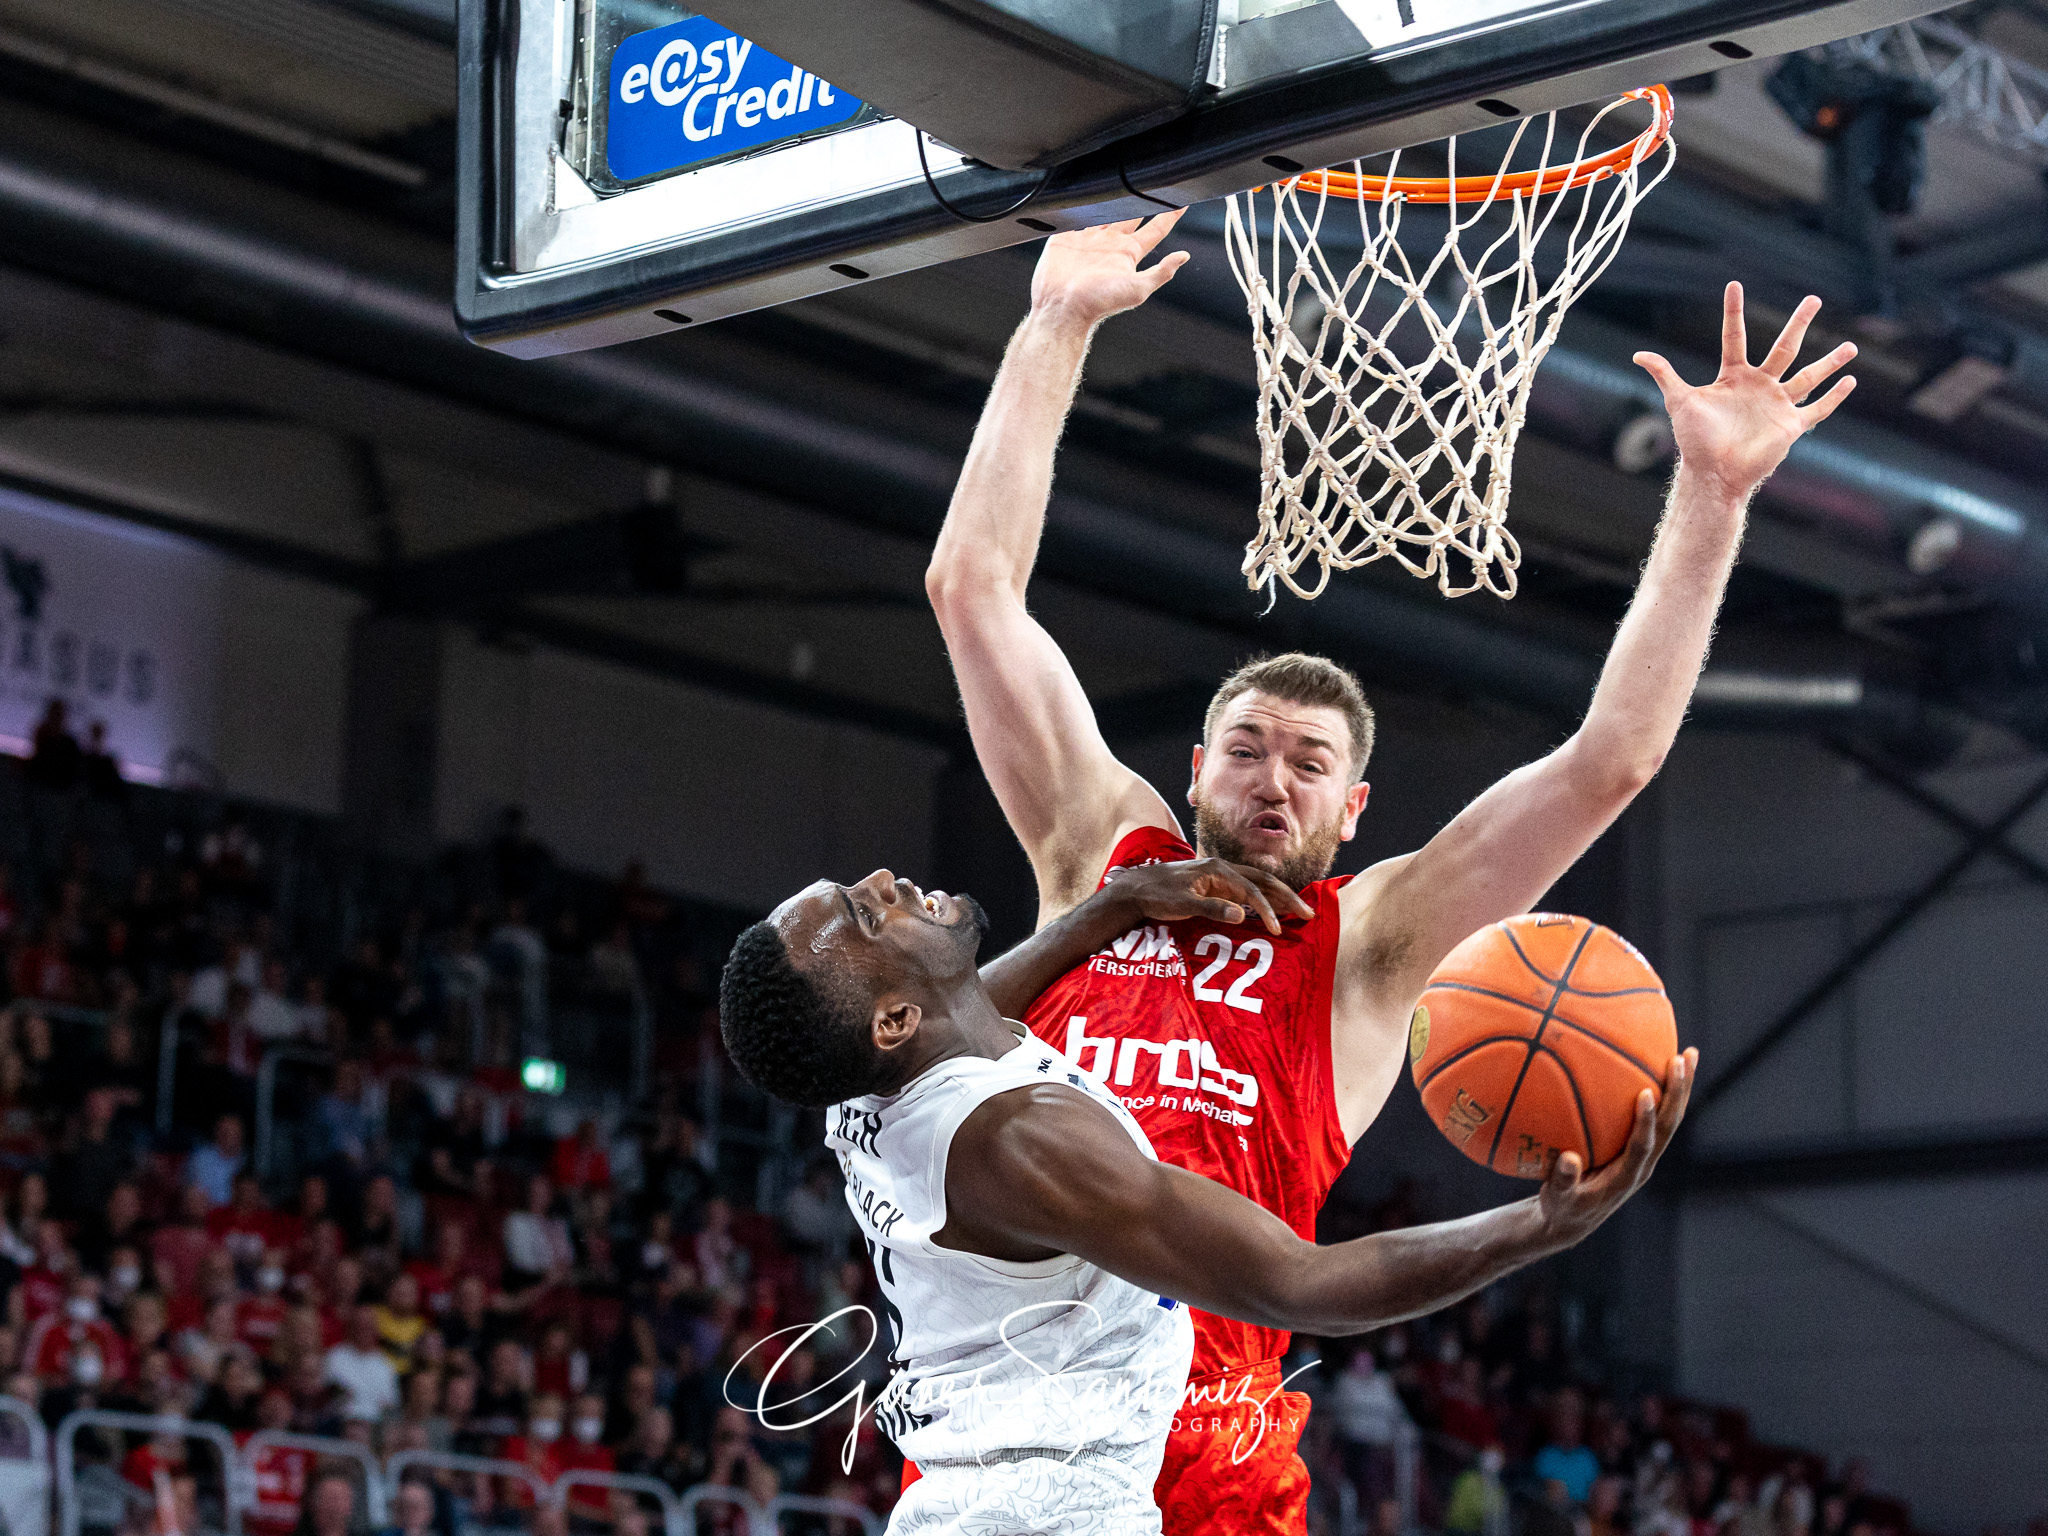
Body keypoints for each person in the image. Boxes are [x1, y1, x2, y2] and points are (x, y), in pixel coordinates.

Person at [922, 212, 1854, 1534]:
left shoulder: (1372, 944)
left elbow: (1610, 763)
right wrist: (1057, 321)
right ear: (1195, 772)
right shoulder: (1099, 849)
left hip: (1213, 1489)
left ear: (1352, 808)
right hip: (998, 1469)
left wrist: (1713, 498)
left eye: (1308, 763)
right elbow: (973, 588)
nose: (1271, 780)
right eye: (1245, 750)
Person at [715, 860, 1693, 1535]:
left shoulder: (871, 1075)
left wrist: (1114, 905)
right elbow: (1297, 1283)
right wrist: (1537, 1225)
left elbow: (968, 1010)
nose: (881, 885)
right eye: (862, 915)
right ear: (891, 1016)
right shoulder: (1021, 1146)